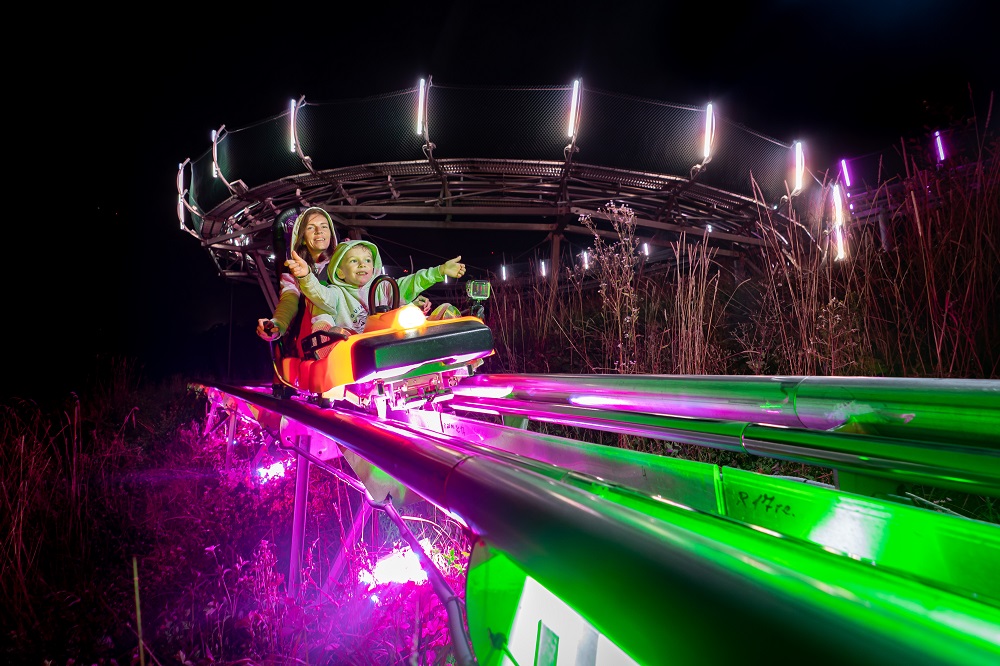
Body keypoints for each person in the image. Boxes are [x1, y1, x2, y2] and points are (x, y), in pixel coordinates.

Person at [287, 239, 466, 337]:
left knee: (419, 312)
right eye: (354, 261)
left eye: (367, 260)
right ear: (340, 272)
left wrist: (439, 271)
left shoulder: (383, 286)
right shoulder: (337, 294)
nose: (362, 265)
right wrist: (306, 275)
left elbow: (411, 282)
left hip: (390, 338)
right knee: (336, 330)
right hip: (359, 344)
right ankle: (329, 343)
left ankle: (452, 338)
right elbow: (319, 294)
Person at [255, 207, 336, 351]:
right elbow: (289, 300)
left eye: (324, 226)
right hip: (316, 342)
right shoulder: (293, 270)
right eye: (311, 228)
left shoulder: (346, 260)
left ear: (331, 233)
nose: (319, 231)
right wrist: (276, 325)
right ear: (302, 238)